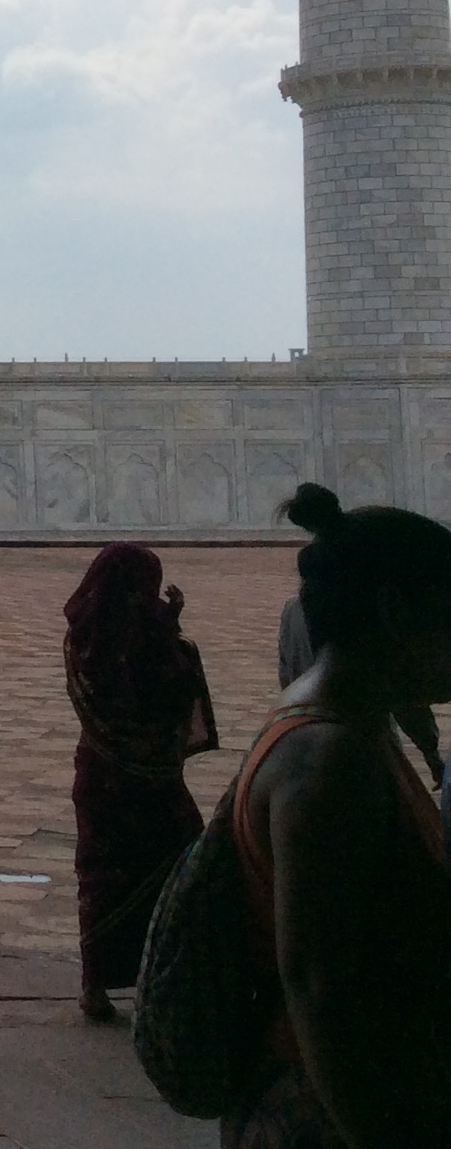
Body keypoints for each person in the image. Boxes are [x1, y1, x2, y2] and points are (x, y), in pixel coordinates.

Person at [219, 484, 451, 1142]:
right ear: (396, 612)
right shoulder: (328, 759)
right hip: (326, 1106)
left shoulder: (353, 727)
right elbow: (317, 984)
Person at [62, 542, 216, 1023]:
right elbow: (169, 693)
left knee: (102, 874)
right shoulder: (149, 647)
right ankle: (175, 977)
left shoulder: (84, 639)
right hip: (151, 785)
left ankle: (95, 985)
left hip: (100, 775)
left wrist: (164, 627)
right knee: (180, 868)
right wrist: (171, 629)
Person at [279, 586, 442, 783]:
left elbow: (286, 673)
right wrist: (430, 750)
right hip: (364, 742)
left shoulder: (292, 609)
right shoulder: (365, 615)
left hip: (302, 732)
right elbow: (402, 695)